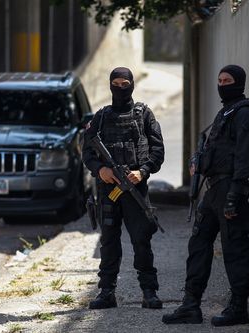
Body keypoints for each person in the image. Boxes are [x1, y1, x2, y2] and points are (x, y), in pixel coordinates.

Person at [162, 64, 249, 327]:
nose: (222, 83)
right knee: (198, 243)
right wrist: (199, 161)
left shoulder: (245, 114)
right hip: (213, 191)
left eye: (227, 80)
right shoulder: (224, 113)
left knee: (235, 249)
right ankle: (190, 305)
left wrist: (236, 193)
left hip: (231, 190)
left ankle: (239, 308)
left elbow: (247, 157)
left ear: (239, 82)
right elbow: (216, 150)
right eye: (219, 79)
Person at [82, 67, 165, 310]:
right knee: (108, 241)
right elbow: (87, 151)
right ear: (110, 85)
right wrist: (100, 170)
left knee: (141, 240)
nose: (120, 88)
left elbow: (157, 151)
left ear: (132, 85)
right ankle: (107, 292)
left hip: (135, 189)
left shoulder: (144, 115)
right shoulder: (101, 117)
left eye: (125, 83)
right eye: (116, 83)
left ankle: (149, 291)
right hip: (109, 190)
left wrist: (143, 171)